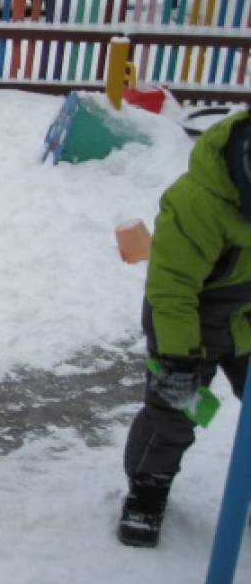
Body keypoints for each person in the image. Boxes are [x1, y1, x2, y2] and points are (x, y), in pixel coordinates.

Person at [119, 110, 251, 547]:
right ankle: (147, 488)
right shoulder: (198, 202)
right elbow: (171, 289)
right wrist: (178, 358)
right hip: (185, 318)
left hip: (246, 316)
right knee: (174, 409)